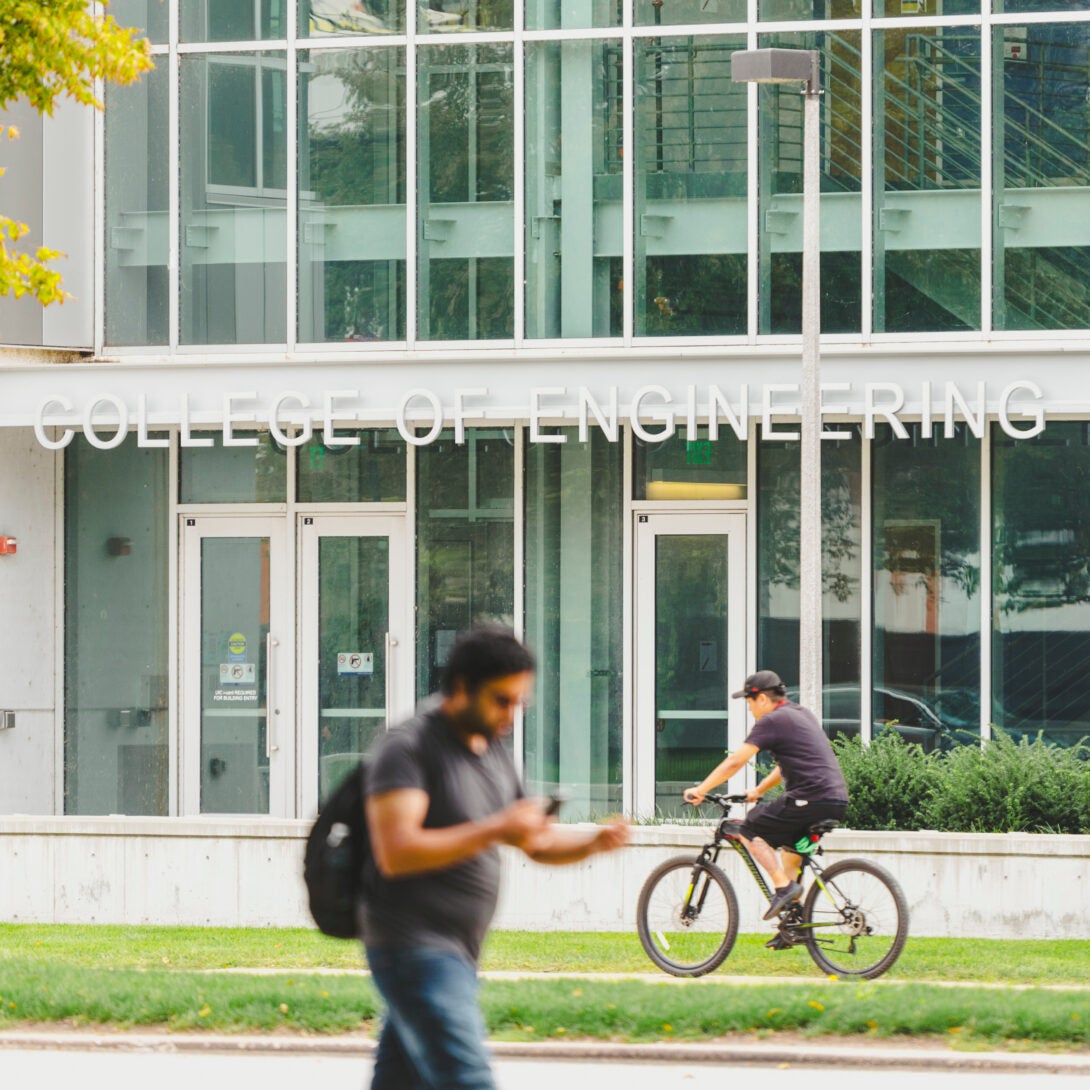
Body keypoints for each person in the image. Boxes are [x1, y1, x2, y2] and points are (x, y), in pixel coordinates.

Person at [361, 624, 630, 1090]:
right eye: (501, 700)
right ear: (463, 686)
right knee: (468, 1079)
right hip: (414, 947)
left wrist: (592, 842)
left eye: (518, 703)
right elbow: (397, 852)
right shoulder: (408, 747)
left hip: (457, 951)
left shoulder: (493, 750)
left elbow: (536, 843)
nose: (510, 714)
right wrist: (495, 828)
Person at [682, 669, 849, 947]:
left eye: (748, 702)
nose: (749, 709)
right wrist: (758, 791)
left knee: (749, 827)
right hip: (834, 800)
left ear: (760, 698)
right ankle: (792, 925)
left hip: (810, 797)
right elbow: (786, 765)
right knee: (792, 853)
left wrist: (702, 790)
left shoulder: (772, 720)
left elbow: (735, 762)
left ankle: (782, 887)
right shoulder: (800, 714)